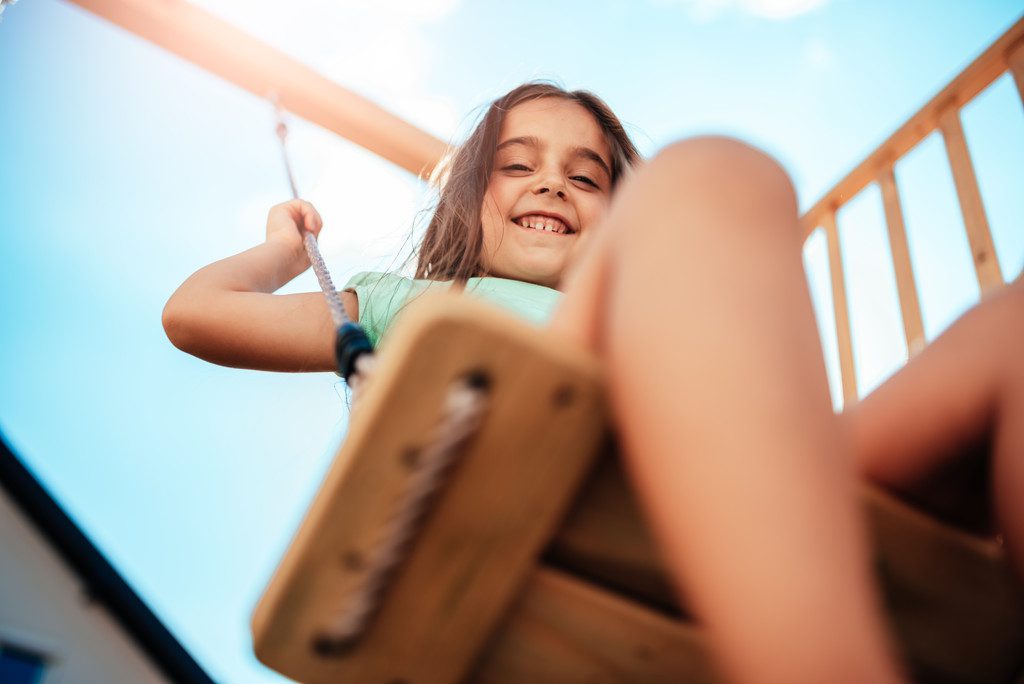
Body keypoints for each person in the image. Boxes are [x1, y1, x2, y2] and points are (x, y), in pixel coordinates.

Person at [163, 82, 1023, 684]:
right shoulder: (413, 303)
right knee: (716, 171)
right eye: (518, 165)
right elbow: (199, 313)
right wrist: (285, 248)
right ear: (469, 198)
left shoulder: (661, 317)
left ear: (619, 218)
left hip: (733, 498)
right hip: (529, 486)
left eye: (587, 175)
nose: (552, 183)